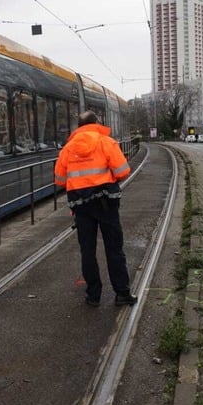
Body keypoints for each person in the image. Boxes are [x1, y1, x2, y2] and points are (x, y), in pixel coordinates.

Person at [54, 110, 137, 307]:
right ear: (96, 123)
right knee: (114, 248)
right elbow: (123, 171)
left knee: (87, 251)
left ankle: (93, 295)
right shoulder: (106, 142)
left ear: (79, 127)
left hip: (81, 207)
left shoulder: (67, 148)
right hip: (106, 203)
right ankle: (122, 293)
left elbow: (59, 181)